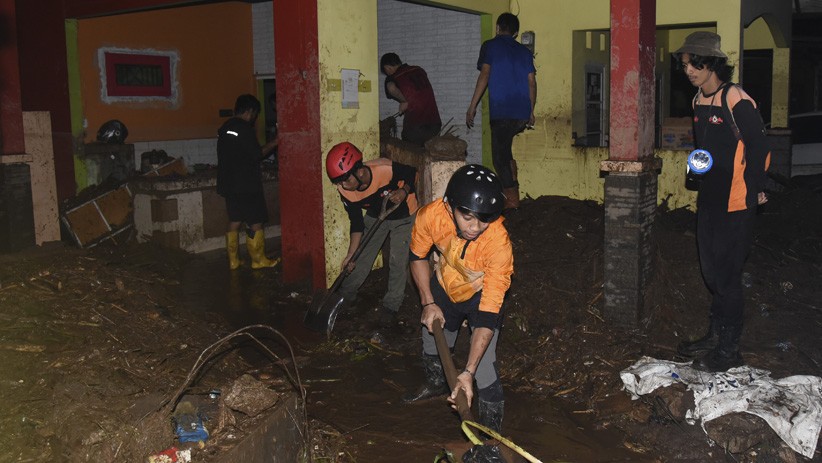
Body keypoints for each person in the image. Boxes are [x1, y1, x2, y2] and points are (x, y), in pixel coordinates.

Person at [673, 32, 770, 372]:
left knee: (727, 278)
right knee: (711, 273)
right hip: (710, 201)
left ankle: (730, 350)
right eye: (684, 65)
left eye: (693, 64)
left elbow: (760, 147)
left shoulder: (736, 98)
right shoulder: (699, 100)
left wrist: (757, 186)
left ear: (710, 63)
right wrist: (695, 167)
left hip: (736, 202)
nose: (688, 72)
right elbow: (707, 149)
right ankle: (715, 335)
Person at [404, 164, 513, 437]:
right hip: (446, 284)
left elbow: (489, 313)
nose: (476, 227)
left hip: (480, 293)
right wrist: (428, 302)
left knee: (485, 368)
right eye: (467, 217)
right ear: (449, 205)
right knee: (433, 337)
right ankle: (436, 383)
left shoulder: (498, 243)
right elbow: (417, 257)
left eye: (484, 219)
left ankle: (490, 437)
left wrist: (468, 371)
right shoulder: (430, 217)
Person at [325, 142, 418, 325]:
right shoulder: (345, 190)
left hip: (404, 214)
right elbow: (357, 222)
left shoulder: (384, 169)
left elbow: (412, 173)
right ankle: (345, 297)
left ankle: (392, 305)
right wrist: (351, 254)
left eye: (345, 179)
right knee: (360, 258)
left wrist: (403, 190)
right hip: (377, 216)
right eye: (338, 181)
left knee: (397, 261)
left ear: (359, 171)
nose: (342, 185)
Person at [466, 13, 536, 213]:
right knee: (505, 150)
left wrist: (472, 106)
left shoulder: (490, 46)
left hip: (502, 111)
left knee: (498, 157)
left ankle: (511, 201)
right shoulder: (524, 51)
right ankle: (513, 185)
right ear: (515, 33)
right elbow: (531, 82)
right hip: (521, 113)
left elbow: (485, 74)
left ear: (497, 28)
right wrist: (531, 111)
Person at [217, 94, 280, 270]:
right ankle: (258, 260)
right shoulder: (244, 129)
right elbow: (257, 154)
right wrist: (275, 142)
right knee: (256, 220)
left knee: (235, 219)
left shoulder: (225, 128)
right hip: (246, 185)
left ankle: (233, 261)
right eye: (255, 114)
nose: (254, 118)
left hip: (229, 184)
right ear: (250, 111)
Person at [380, 53, 442, 146]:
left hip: (415, 126)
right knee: (430, 156)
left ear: (388, 67)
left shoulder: (394, 76)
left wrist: (404, 101)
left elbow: (391, 88)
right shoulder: (418, 70)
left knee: (411, 156)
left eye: (386, 71)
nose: (387, 73)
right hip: (435, 123)